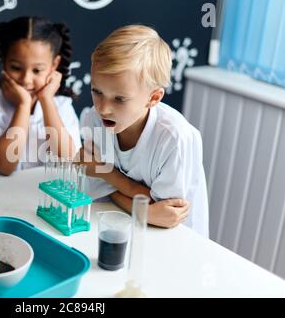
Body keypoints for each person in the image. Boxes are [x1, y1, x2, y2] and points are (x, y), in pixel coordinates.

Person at [79, 25, 209, 237]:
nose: (102, 107)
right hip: (120, 225)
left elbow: (166, 214)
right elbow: (98, 188)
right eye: (96, 91)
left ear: (153, 98)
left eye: (119, 99)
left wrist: (108, 174)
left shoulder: (174, 138)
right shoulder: (93, 119)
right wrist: (144, 210)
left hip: (176, 240)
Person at [0, 16, 81, 177]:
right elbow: (5, 167)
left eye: (37, 70)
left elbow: (68, 161)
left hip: (41, 197)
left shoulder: (62, 106)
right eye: (16, 68)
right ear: (3, 61)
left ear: (54, 65)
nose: (26, 79)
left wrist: (47, 100)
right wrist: (23, 106)